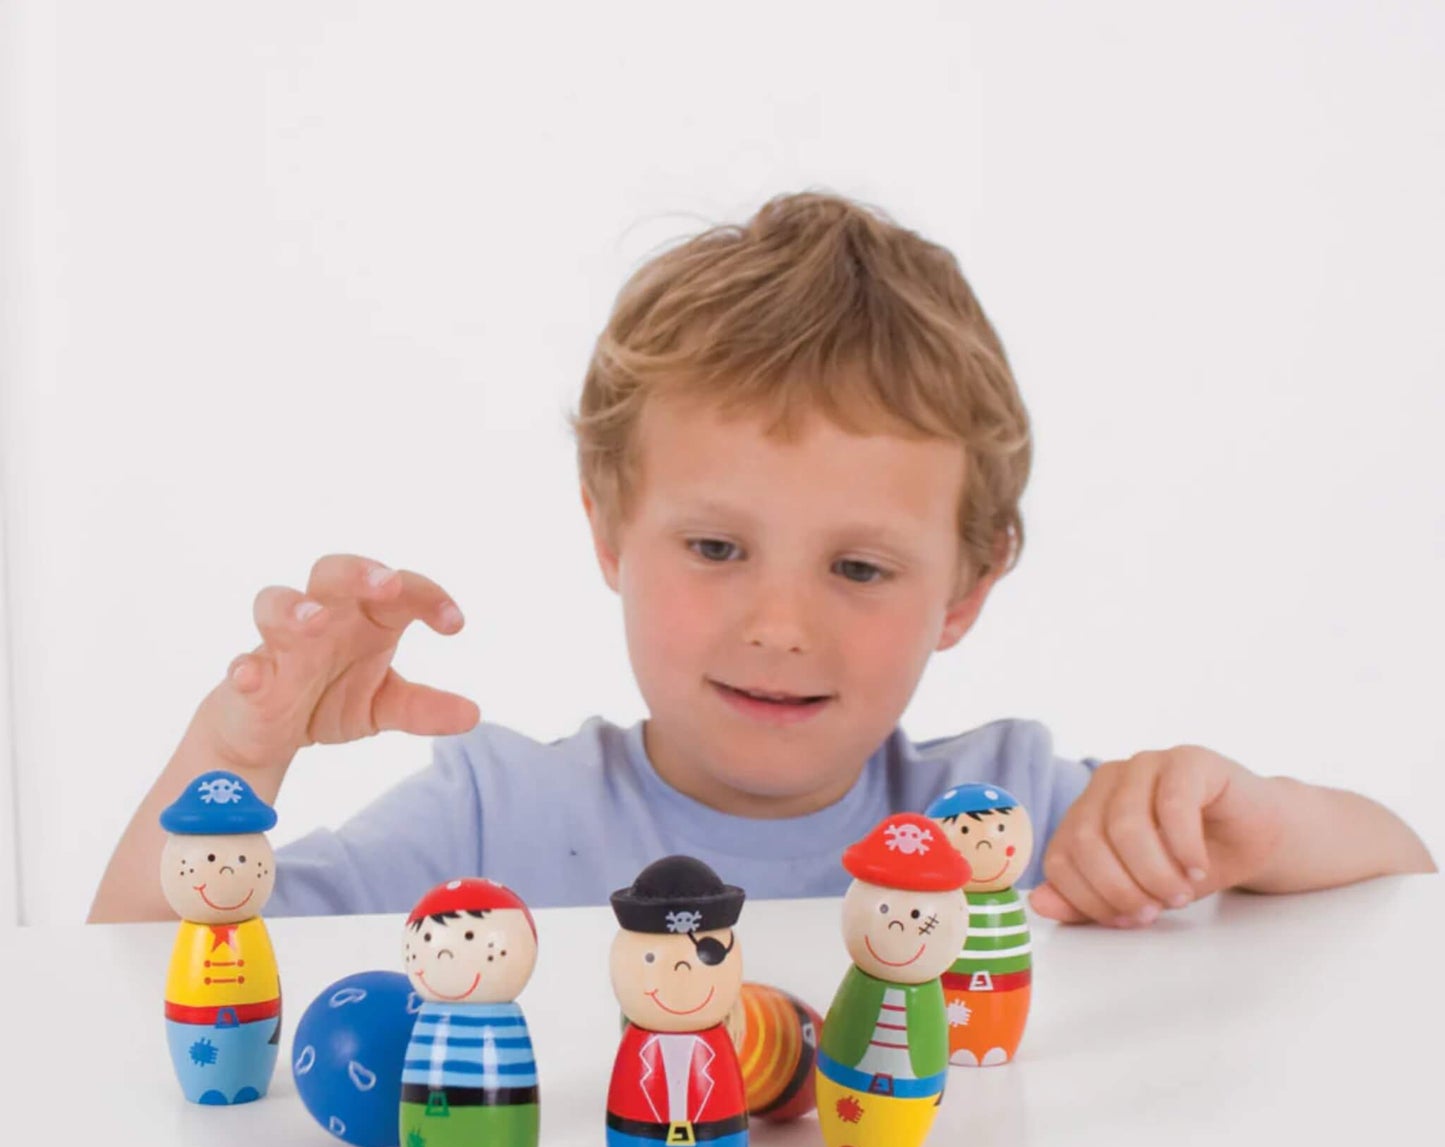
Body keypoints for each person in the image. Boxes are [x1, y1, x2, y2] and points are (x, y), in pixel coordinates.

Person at [87, 191, 1435, 928]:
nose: (779, 622)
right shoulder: (487, 821)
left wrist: (1250, 818)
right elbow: (142, 972)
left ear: (965, 589)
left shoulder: (1013, 818)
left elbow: (1397, 883)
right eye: (717, 546)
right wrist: (239, 746)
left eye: (859, 569)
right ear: (608, 531)